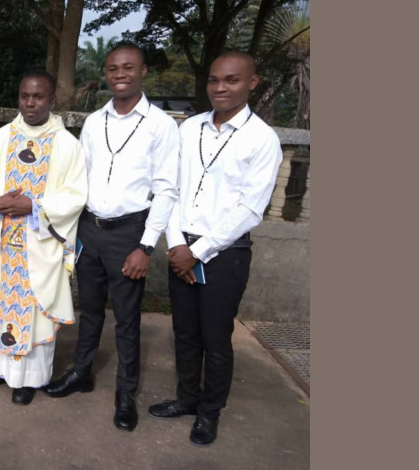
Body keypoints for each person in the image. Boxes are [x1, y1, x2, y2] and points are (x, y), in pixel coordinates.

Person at [147, 51, 282, 446]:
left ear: (252, 83)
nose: (220, 88)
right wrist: (176, 246)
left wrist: (198, 251)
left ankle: (209, 412)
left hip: (225, 254)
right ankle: (187, 398)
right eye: (213, 80)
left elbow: (249, 209)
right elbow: (169, 188)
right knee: (184, 331)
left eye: (231, 80)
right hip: (180, 246)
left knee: (215, 337)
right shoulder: (189, 129)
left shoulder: (262, 140)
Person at [44, 42, 180, 432]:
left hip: (128, 233)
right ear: (105, 73)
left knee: (126, 318)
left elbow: (166, 189)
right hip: (90, 228)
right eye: (112, 68)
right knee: (88, 309)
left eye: (128, 67)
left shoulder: (161, 125)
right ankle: (81, 373)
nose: (120, 74)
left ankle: (125, 392)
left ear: (143, 71)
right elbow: (76, 175)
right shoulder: (94, 121)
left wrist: (145, 245)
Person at [0, 71, 88, 405]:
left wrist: (34, 205)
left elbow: (76, 195)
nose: (30, 103)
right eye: (24, 96)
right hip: (2, 244)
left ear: (52, 100)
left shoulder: (67, 145)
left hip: (39, 246)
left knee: (33, 309)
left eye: (38, 97)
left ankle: (27, 380)